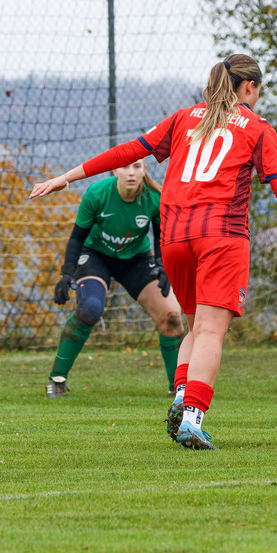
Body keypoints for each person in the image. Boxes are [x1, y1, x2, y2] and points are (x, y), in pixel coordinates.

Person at [31, 54, 277, 450]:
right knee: (211, 331)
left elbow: (127, 152)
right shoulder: (258, 129)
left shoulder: (183, 118)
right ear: (250, 87)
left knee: (194, 328)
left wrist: (65, 177)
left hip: (175, 237)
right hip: (221, 237)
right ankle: (193, 416)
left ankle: (180, 398)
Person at [46, 159, 185, 398]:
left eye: (137, 167)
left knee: (172, 316)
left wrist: (164, 267)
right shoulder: (97, 193)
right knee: (90, 309)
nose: (131, 173)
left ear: (145, 170)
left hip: (136, 260)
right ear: (114, 169)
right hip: (95, 256)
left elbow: (162, 236)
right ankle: (57, 379)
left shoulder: (154, 197)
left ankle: (179, 389)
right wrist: (66, 273)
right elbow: (77, 237)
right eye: (125, 167)